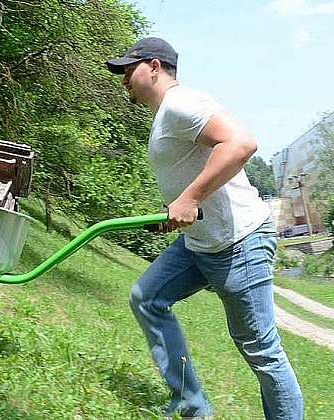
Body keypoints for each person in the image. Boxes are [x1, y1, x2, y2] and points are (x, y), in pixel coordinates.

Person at [106, 37, 303, 419]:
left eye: (128, 70)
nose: (124, 79)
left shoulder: (182, 103)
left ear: (154, 67)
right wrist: (177, 208)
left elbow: (241, 143)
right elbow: (193, 175)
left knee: (261, 350)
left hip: (239, 241)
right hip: (200, 241)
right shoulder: (166, 114)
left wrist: (190, 198)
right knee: (147, 297)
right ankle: (192, 405)